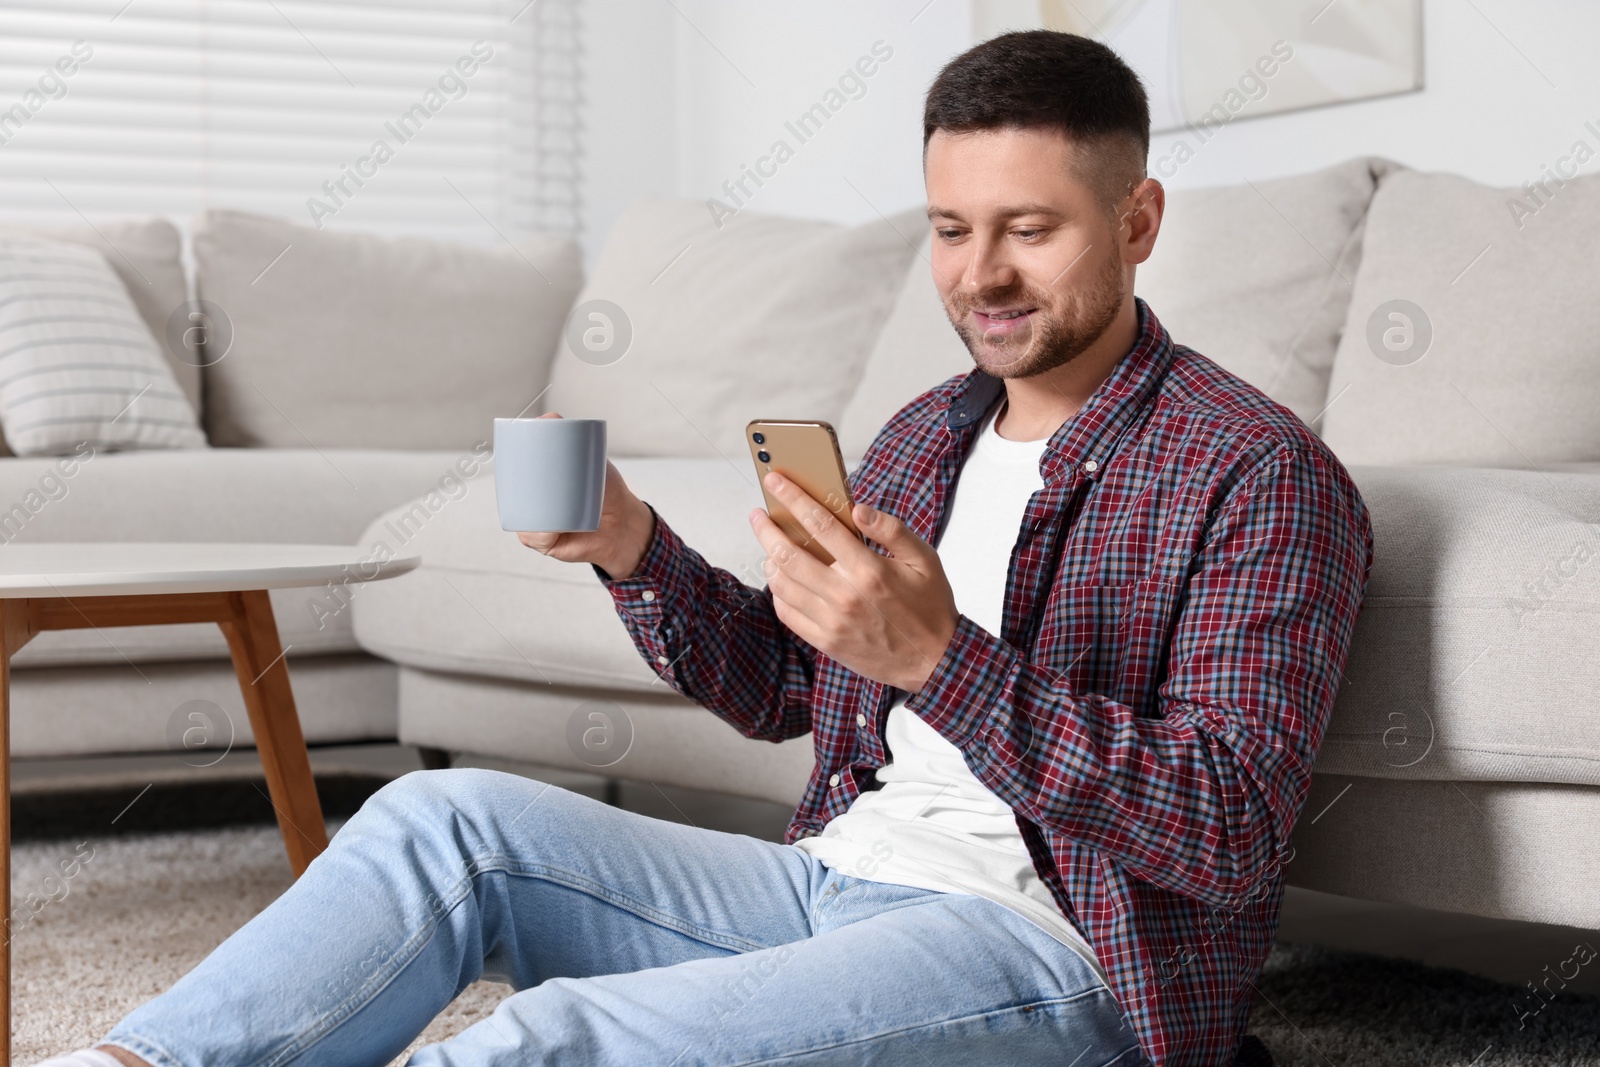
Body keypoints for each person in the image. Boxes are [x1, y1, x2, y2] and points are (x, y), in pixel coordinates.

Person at [44, 28, 1371, 1067]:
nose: (982, 274)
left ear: (1137, 222)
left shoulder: (1256, 474)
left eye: (1032, 229)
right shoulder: (928, 434)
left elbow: (1231, 827)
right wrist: (631, 546)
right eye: (952, 230)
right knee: (443, 824)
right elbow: (787, 692)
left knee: (542, 1047)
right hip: (833, 880)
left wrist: (941, 661)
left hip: (1058, 951)